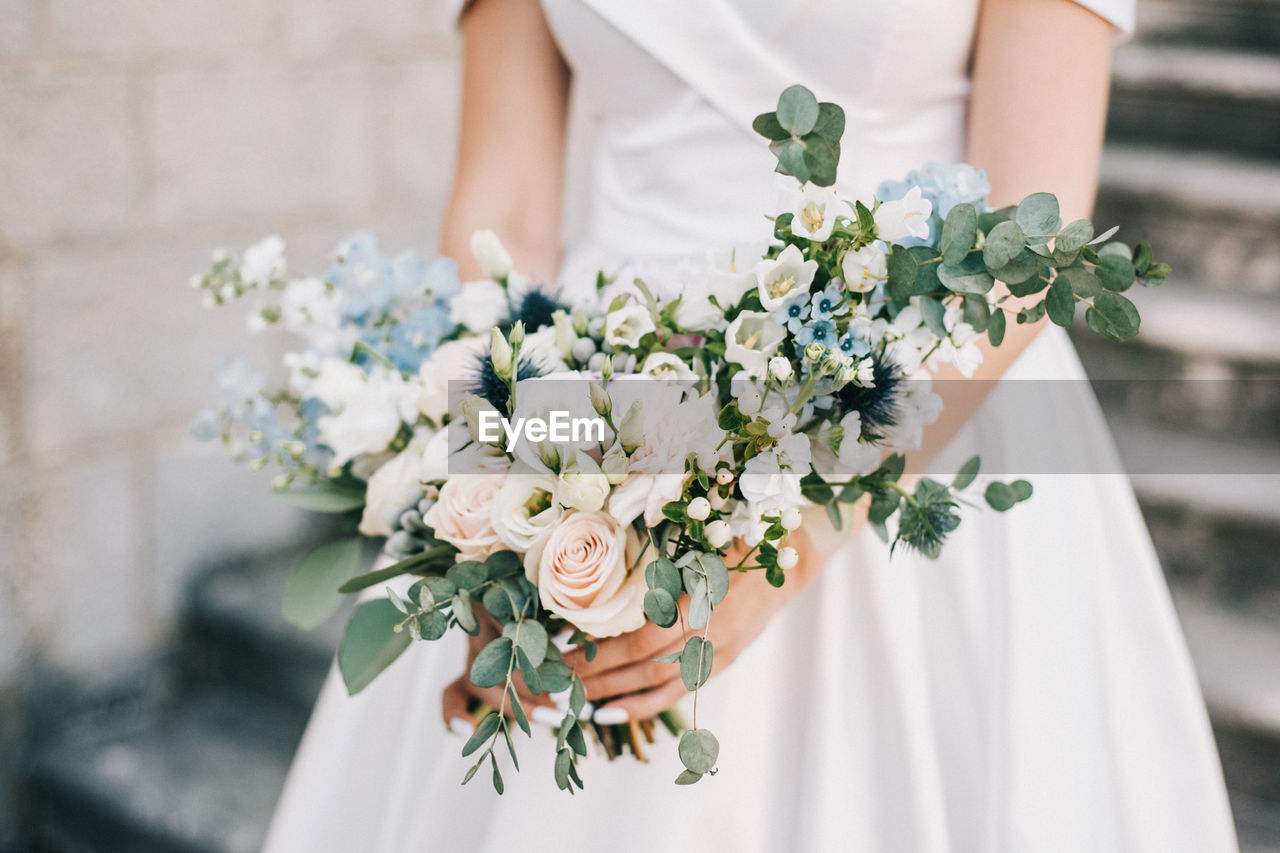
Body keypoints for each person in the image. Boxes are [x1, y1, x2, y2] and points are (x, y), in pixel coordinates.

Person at [264, 1, 1239, 850]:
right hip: (602, 411)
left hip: (919, 408)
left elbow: (1024, 238)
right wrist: (501, 499)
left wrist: (794, 539)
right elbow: (502, 216)